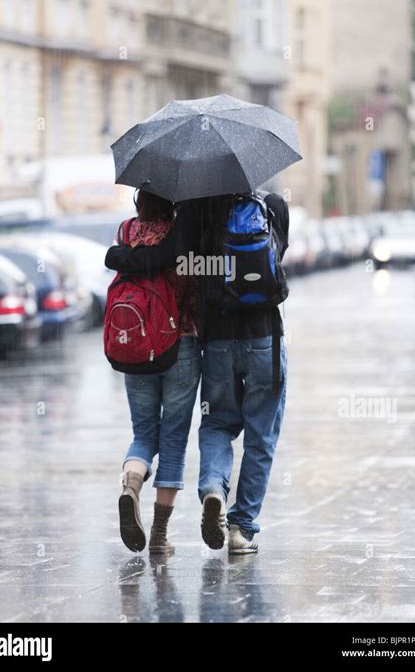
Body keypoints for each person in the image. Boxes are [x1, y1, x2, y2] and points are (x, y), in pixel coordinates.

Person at [106, 191, 289, 555]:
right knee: (258, 437)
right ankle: (240, 528)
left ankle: (208, 489)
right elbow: (274, 260)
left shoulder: (195, 211)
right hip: (257, 337)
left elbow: (190, 268)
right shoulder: (273, 207)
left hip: (209, 340)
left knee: (215, 423)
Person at [105, 190, 200, 554]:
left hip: (136, 345)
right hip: (180, 343)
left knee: (143, 432)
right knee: (173, 440)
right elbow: (192, 289)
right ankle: (159, 537)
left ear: (138, 203)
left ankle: (131, 484)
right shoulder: (180, 235)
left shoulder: (125, 233)